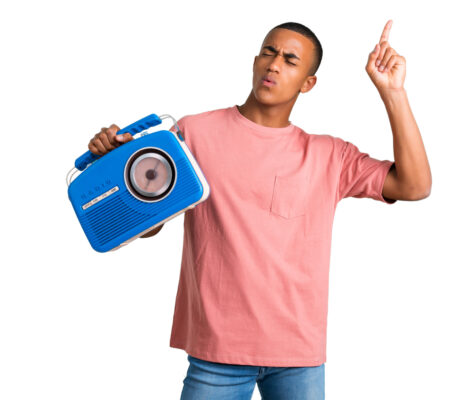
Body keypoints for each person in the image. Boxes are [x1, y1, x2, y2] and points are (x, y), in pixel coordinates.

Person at [86, 20, 431, 400]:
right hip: (215, 353)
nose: (274, 64)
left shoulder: (329, 155)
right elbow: (150, 224)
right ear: (254, 61)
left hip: (298, 356)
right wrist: (116, 166)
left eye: (290, 59)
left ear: (307, 83)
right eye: (269, 52)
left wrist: (393, 94)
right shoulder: (194, 134)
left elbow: (414, 186)